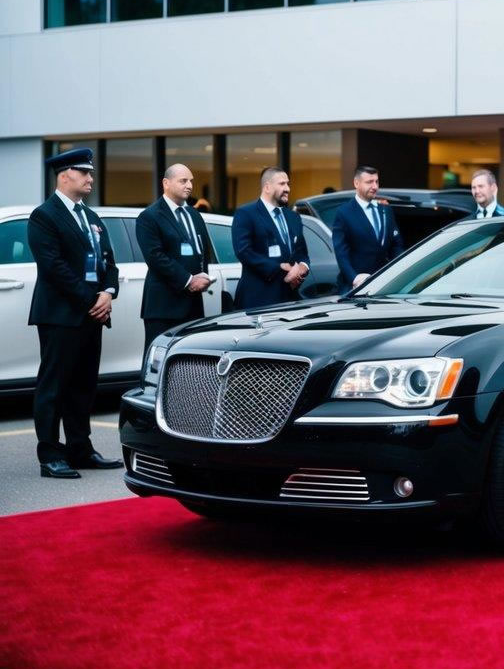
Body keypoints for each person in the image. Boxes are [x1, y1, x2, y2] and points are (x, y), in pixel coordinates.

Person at [26, 148, 123, 479]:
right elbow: (53, 267)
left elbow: (109, 262)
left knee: (83, 386)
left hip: (91, 313)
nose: (90, 178)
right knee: (54, 386)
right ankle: (50, 454)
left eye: (91, 172)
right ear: (65, 174)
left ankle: (80, 449)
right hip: (61, 314)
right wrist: (91, 300)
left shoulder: (91, 216)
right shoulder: (44, 216)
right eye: (85, 172)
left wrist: (108, 293)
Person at [136, 164, 214, 353]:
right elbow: (155, 257)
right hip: (164, 306)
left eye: (191, 181)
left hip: (193, 304)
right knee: (160, 359)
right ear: (166, 183)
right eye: (183, 181)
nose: (189, 186)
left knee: (191, 360)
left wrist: (203, 277)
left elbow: (204, 250)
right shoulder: (149, 216)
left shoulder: (195, 215)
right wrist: (189, 280)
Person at [232, 167, 310, 310]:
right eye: (282, 184)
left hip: (290, 299)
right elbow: (244, 252)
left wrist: (302, 268)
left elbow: (302, 252)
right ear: (267, 187)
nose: (287, 189)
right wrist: (279, 268)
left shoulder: (293, 217)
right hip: (258, 300)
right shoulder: (246, 213)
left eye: (288, 184)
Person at [332, 165, 405, 291]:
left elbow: (396, 245)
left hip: (384, 284)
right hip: (354, 286)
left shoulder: (386, 210)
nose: (375, 186)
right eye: (369, 182)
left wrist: (399, 271)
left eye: (376, 181)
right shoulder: (344, 213)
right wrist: (354, 278)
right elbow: (341, 253)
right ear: (356, 183)